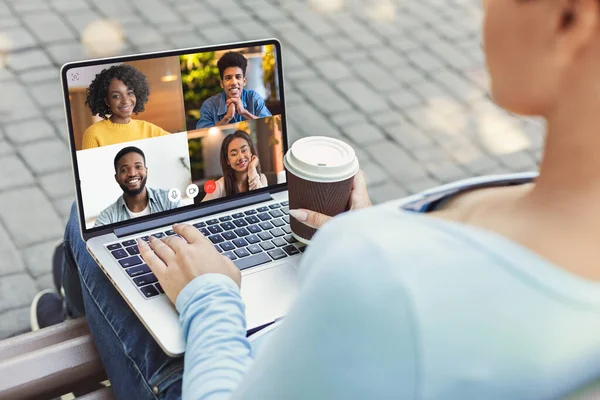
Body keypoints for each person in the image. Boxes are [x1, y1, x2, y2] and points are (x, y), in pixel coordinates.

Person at [30, 0, 600, 398]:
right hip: (326, 326)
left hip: (227, 367)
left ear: (572, 17)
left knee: (90, 222)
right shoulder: (555, 210)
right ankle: (81, 311)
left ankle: (74, 311)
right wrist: (363, 234)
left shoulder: (384, 285)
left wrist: (208, 295)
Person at [81, 64, 170, 149]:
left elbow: (179, 144)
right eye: (116, 96)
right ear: (106, 100)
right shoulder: (94, 134)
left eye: (130, 93)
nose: (125, 101)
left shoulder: (149, 129)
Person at [94, 146, 181, 227]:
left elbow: (187, 227)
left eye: (138, 167)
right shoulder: (107, 217)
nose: (132, 174)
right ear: (117, 178)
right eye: (124, 170)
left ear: (146, 171)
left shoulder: (169, 199)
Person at [196, 52, 272, 129]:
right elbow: (202, 132)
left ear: (244, 81)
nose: (234, 83)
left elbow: (269, 125)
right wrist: (227, 118)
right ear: (222, 83)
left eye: (238, 77)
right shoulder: (209, 106)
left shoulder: (254, 98)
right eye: (228, 78)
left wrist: (244, 112)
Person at [201, 130, 268, 202]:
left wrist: (252, 167)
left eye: (244, 150)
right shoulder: (219, 187)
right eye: (234, 154)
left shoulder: (261, 178)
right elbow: (201, 210)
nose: (241, 157)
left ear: (251, 152)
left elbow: (261, 201)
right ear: (227, 160)